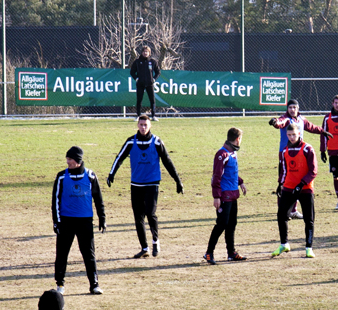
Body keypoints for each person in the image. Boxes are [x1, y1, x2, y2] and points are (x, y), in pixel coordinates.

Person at [107, 114, 184, 258]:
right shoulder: (131, 142)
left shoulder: (156, 142)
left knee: (150, 212)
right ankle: (144, 248)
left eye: (145, 125)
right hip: (136, 183)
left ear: (150, 126)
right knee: (138, 217)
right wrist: (112, 174)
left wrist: (177, 180)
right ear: (138, 125)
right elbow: (119, 157)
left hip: (152, 182)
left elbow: (167, 161)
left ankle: (156, 241)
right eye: (141, 125)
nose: (143, 127)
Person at [51, 146, 105, 295]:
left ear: (78, 161)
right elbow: (55, 200)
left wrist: (102, 218)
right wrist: (56, 221)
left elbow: (98, 198)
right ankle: (60, 285)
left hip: (85, 221)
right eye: (67, 159)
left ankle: (94, 284)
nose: (67, 161)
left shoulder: (90, 175)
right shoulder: (61, 176)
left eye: (70, 159)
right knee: (62, 254)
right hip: (66, 221)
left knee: (89, 254)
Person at [268, 99, 332, 219]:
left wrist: (323, 132)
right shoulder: (287, 119)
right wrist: (274, 122)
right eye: (290, 107)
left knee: (297, 179)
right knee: (284, 181)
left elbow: (311, 127)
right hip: (286, 154)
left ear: (298, 108)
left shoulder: (301, 119)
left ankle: (293, 210)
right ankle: (282, 210)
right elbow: (280, 122)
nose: (292, 110)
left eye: (294, 107)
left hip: (299, 155)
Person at [272, 123, 319, 258]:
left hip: (305, 189)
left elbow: (313, 171)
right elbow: (284, 169)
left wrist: (302, 183)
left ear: (299, 134)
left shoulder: (307, 149)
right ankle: (284, 244)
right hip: (289, 188)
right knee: (281, 215)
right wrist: (281, 184)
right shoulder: (285, 151)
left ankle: (309, 247)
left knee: (309, 219)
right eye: (289, 135)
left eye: (294, 135)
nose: (292, 137)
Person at [203, 128, 248, 265]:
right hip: (224, 196)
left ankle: (231, 253)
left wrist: (241, 182)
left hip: (233, 194)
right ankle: (209, 253)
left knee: (232, 224)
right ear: (237, 139)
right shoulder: (222, 154)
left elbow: (231, 173)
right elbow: (216, 177)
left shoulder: (232, 153)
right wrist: (216, 196)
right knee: (222, 224)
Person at [130, 46, 161, 121]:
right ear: (142, 52)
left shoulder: (152, 61)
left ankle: (153, 116)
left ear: (149, 53)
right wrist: (137, 78)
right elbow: (132, 72)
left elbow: (158, 72)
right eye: (144, 51)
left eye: (147, 51)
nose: (145, 53)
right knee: (139, 100)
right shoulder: (137, 61)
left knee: (152, 100)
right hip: (140, 84)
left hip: (149, 84)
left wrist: (153, 79)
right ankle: (138, 116)